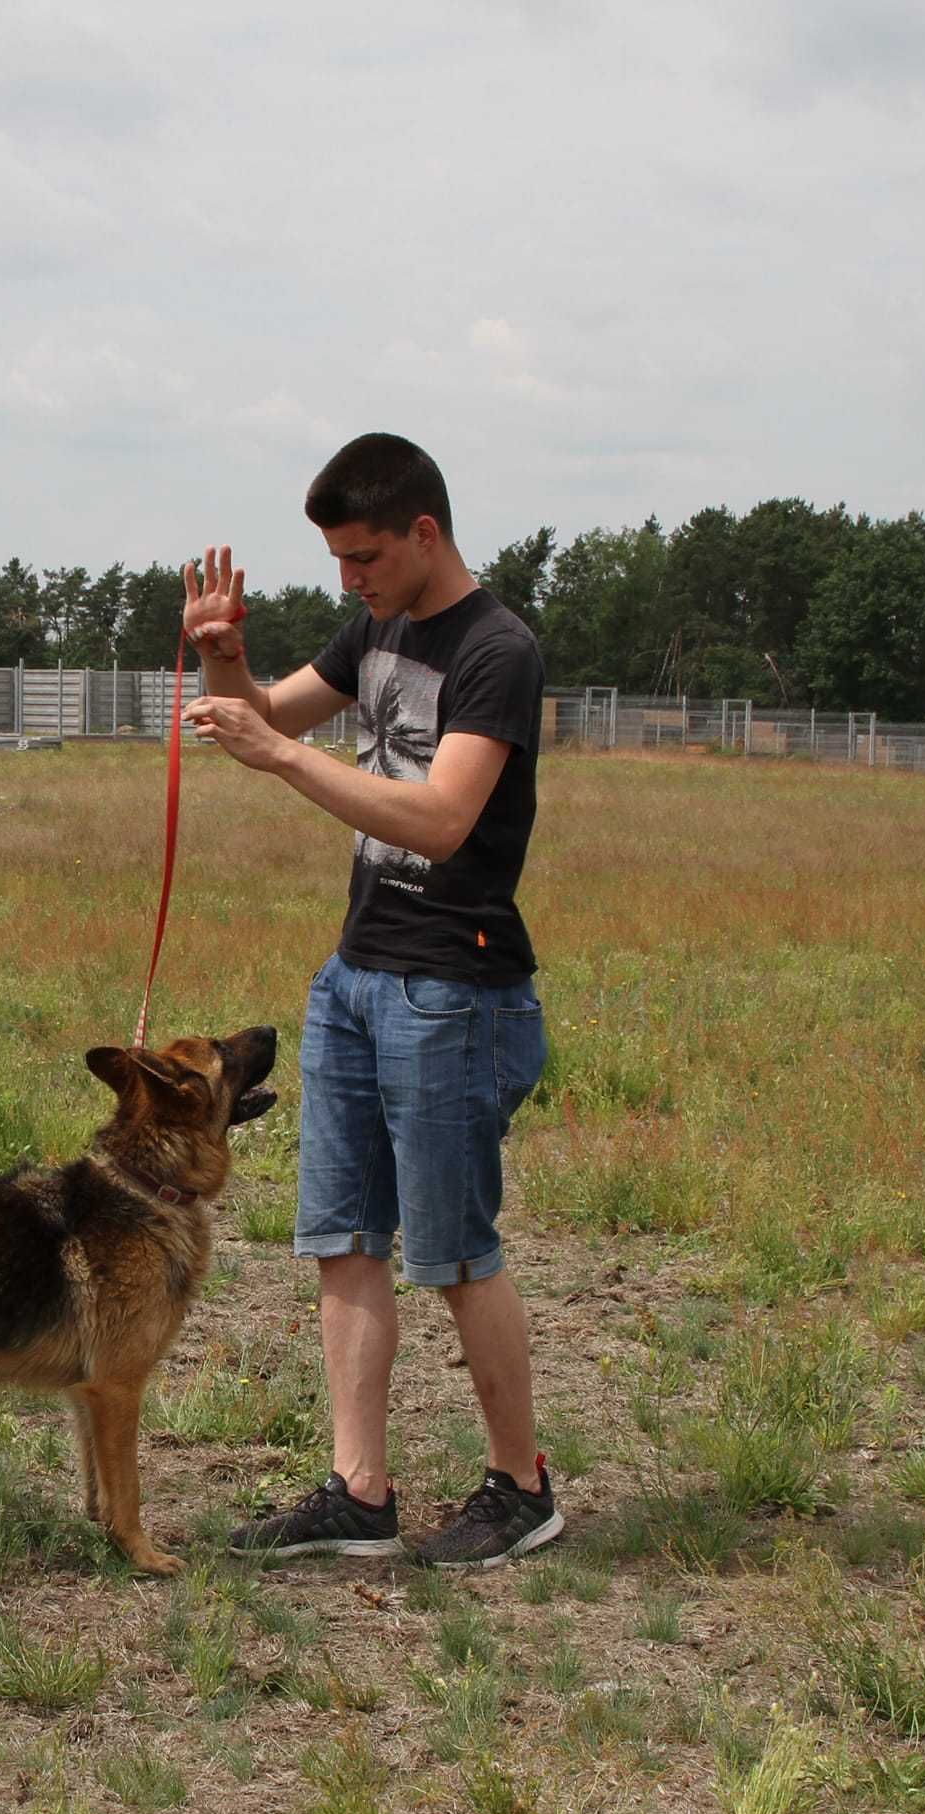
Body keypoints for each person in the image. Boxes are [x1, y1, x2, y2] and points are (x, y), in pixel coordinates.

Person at [178, 432, 560, 1568]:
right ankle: (359, 1492)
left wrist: (280, 758)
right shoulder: (378, 625)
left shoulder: (497, 650)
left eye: (362, 557)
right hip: (354, 975)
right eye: (338, 561)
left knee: (452, 1251)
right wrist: (222, 658)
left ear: (423, 533)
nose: (349, 581)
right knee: (343, 1239)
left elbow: (441, 819)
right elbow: (266, 714)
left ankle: (520, 1483)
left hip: (453, 989)